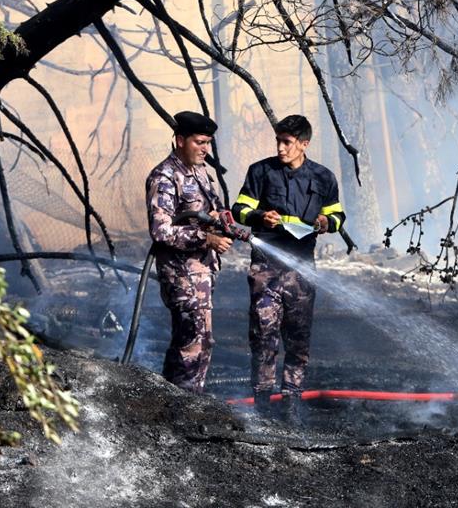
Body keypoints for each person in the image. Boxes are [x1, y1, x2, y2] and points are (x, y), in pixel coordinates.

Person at [231, 115, 345, 418]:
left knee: (298, 338)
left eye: (288, 143)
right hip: (266, 268)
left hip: (301, 269)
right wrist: (258, 217)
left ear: (304, 144)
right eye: (278, 141)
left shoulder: (323, 177)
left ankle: (292, 401)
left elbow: (337, 216)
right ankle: (262, 403)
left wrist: (324, 222)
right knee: (263, 336)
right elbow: (239, 210)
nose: (281, 148)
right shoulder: (261, 172)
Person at [145, 111, 231, 393]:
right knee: (193, 342)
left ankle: (174, 401)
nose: (205, 149)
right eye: (199, 142)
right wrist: (205, 238)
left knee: (200, 340)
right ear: (180, 140)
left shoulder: (201, 172)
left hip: (201, 273)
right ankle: (186, 408)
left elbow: (206, 211)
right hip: (181, 275)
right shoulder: (165, 176)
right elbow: (162, 231)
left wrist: (219, 217)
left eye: (208, 143)